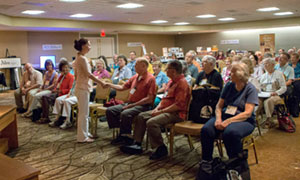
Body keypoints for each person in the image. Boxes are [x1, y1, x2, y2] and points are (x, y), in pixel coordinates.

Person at [120, 60, 190, 160]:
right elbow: (164, 99)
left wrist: (161, 111)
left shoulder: (182, 84)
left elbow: (179, 105)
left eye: (167, 69)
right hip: (164, 110)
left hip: (176, 114)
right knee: (141, 116)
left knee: (152, 122)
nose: (165, 71)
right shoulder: (170, 82)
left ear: (173, 71)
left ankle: (160, 148)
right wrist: (157, 109)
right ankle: (137, 143)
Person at [199, 62, 258, 170]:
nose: (229, 74)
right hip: (225, 115)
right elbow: (219, 106)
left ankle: (235, 164)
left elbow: (247, 113)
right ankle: (207, 161)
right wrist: (218, 119)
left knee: (230, 133)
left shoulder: (250, 88)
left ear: (240, 75)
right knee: (206, 129)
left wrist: (228, 121)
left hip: (244, 120)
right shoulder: (229, 85)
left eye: (232, 72)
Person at [104, 58, 156, 145]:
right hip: (131, 103)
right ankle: (124, 134)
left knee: (125, 113)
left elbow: (149, 99)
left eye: (136, 65)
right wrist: (110, 85)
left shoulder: (151, 79)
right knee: (110, 111)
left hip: (143, 106)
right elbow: (122, 87)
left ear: (143, 66)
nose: (134, 66)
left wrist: (132, 105)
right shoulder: (135, 77)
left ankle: (125, 135)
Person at [73, 38, 105, 143]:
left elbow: (78, 75)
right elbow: (89, 74)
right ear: (83, 46)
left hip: (81, 87)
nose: (90, 47)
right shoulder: (82, 58)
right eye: (89, 45)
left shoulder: (79, 57)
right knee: (84, 114)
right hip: (83, 88)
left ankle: (84, 133)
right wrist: (101, 82)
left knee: (83, 113)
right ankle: (82, 137)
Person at [257, 58, 286, 128]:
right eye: (264, 64)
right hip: (264, 94)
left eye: (266, 63)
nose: (265, 65)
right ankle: (255, 118)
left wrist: (276, 92)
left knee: (268, 101)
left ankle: (268, 120)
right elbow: (259, 86)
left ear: (273, 65)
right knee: (256, 101)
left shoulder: (279, 74)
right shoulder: (263, 76)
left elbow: (284, 87)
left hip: (275, 94)